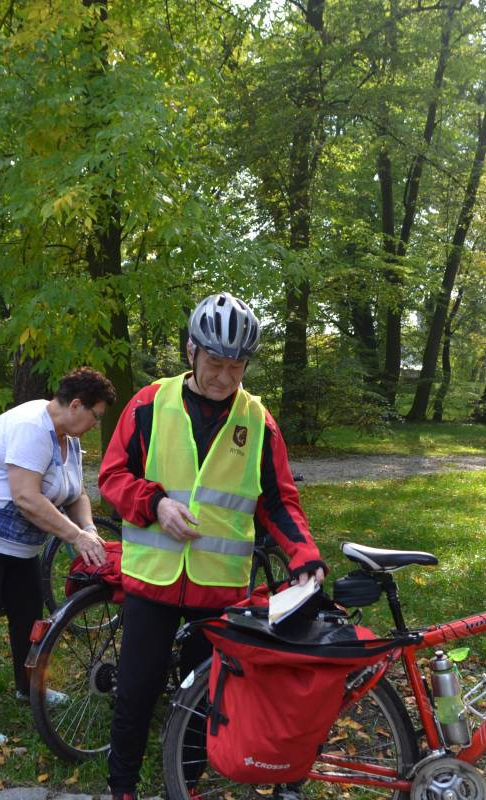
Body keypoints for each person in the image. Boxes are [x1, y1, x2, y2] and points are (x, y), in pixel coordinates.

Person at [99, 292, 327, 800]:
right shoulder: (147, 404)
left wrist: (303, 555)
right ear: (190, 351)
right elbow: (113, 476)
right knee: (135, 692)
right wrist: (153, 503)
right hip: (152, 580)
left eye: (236, 366)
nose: (224, 377)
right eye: (215, 363)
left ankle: (187, 785)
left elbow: (279, 500)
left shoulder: (259, 421)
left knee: (207, 699)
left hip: (218, 590)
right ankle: (123, 789)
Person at [0, 366, 116, 746]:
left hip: (15, 543)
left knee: (28, 616)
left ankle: (29, 686)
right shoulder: (33, 427)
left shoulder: (69, 438)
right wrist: (75, 537)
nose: (97, 424)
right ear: (76, 404)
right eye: (95, 416)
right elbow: (27, 498)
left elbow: (76, 492)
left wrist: (90, 530)